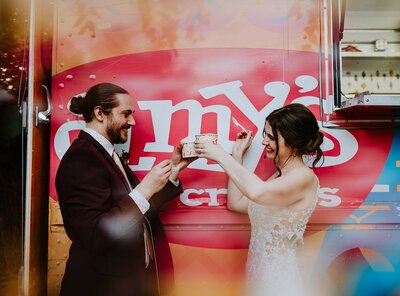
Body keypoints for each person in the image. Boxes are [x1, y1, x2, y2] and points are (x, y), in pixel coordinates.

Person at [56, 83, 193, 296]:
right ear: (100, 113)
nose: (132, 121)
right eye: (126, 114)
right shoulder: (81, 158)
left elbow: (137, 208)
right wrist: (145, 188)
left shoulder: (105, 152)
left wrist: (175, 169)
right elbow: (94, 235)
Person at [194, 103, 324, 296]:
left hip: (279, 283)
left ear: (293, 141)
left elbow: (257, 193)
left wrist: (220, 155)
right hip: (258, 278)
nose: (264, 142)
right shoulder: (279, 177)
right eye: (265, 134)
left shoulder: (303, 177)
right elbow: (236, 203)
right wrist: (237, 155)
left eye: (271, 137)